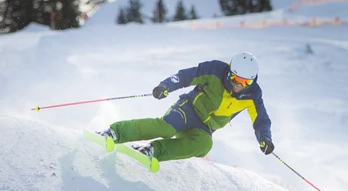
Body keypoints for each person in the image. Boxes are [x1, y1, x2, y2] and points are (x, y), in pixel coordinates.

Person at [98, 52, 274, 161]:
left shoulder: (253, 95)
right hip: (187, 109)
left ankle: (153, 151)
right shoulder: (215, 70)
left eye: (246, 82)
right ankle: (115, 132)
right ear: (230, 72)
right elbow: (186, 76)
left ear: (253, 80)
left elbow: (261, 121)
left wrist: (265, 139)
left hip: (204, 127)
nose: (239, 85)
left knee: (205, 144)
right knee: (167, 128)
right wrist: (166, 86)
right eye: (236, 79)